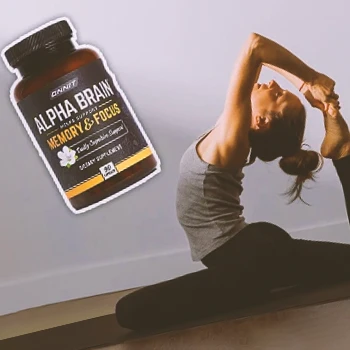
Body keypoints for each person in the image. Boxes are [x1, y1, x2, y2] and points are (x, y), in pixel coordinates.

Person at [115, 33, 350, 331]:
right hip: (251, 251)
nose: (274, 85)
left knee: (129, 312)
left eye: (277, 96)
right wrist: (306, 84)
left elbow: (255, 47)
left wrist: (311, 79)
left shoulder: (232, 138)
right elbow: (260, 55)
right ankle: (342, 150)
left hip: (250, 258)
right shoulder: (232, 130)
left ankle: (342, 149)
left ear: (261, 121)